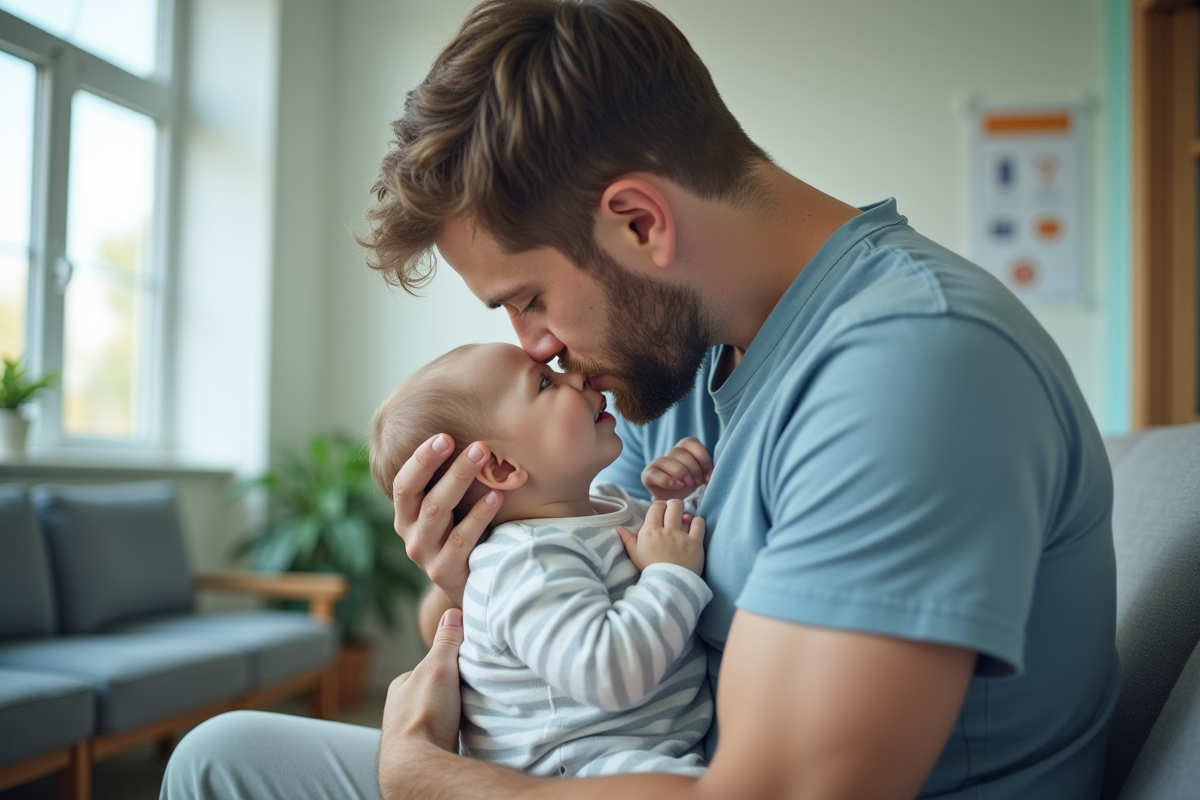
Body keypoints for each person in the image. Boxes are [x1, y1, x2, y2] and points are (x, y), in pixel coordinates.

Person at [161, 1, 1119, 798]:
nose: (532, 347)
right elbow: (508, 625)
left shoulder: (913, 366)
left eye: (527, 300)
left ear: (638, 221)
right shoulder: (675, 368)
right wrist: (462, 567)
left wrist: (430, 781)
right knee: (224, 760)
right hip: (628, 762)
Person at [369, 342, 713, 778]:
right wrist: (671, 574)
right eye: (545, 382)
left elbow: (673, 546)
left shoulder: (606, 504)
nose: (577, 376)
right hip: (580, 772)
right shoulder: (524, 563)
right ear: (500, 468)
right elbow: (610, 672)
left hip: (646, 755)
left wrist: (675, 503)